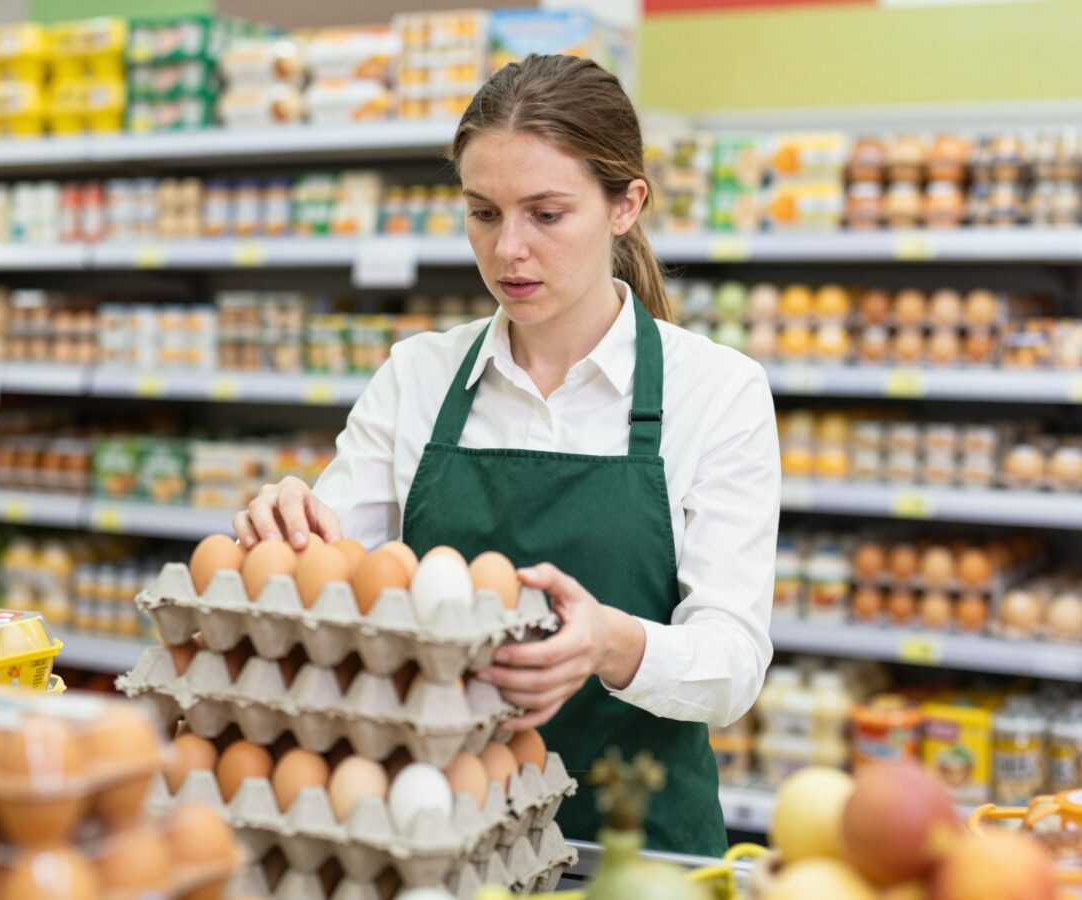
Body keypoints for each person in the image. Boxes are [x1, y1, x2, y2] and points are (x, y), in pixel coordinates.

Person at [234, 54, 780, 856]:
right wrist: (289, 529)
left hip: (633, 849)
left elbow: (734, 663)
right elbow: (334, 580)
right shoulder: (417, 375)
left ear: (627, 205)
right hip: (434, 835)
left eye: (546, 214)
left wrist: (612, 643)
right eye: (483, 213)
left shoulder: (717, 390)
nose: (508, 250)